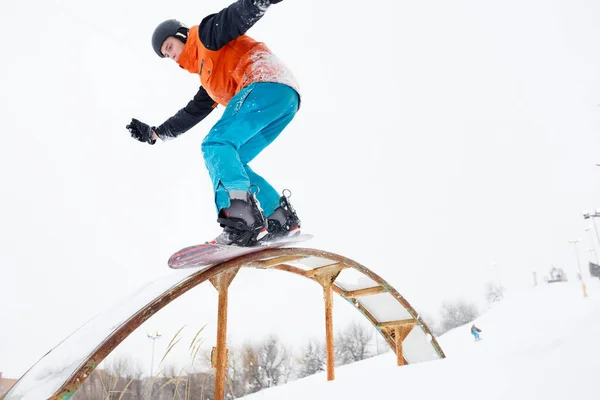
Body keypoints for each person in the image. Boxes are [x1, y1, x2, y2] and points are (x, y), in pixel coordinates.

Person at [126, 0, 301, 246]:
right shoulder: (209, 79)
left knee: (216, 144)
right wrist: (155, 134)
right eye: (166, 55)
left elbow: (233, 18)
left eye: (169, 46)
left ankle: (242, 218)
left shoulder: (206, 37)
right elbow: (190, 113)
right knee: (234, 160)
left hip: (264, 83)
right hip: (285, 100)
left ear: (181, 35)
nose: (171, 55)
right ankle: (279, 219)